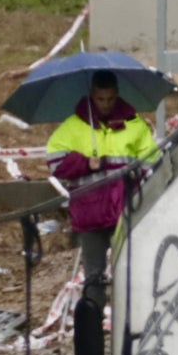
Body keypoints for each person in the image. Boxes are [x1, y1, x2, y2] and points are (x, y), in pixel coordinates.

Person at [46, 74, 159, 298]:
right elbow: (55, 163)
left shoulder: (135, 125)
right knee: (94, 280)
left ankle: (128, 328)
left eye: (110, 98)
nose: (105, 104)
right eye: (100, 99)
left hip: (126, 214)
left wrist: (135, 179)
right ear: (92, 96)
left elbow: (152, 164)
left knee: (130, 277)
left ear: (117, 94)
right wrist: (86, 164)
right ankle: (93, 329)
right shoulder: (73, 127)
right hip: (90, 216)